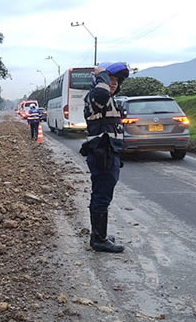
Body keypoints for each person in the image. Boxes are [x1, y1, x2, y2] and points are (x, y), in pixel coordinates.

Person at [79, 62, 129, 253]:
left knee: (102, 193)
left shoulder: (108, 100)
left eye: (116, 80)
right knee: (102, 195)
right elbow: (101, 93)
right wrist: (102, 75)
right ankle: (99, 239)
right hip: (102, 154)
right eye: (110, 80)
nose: (113, 84)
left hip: (108, 153)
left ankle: (99, 235)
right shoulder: (96, 97)